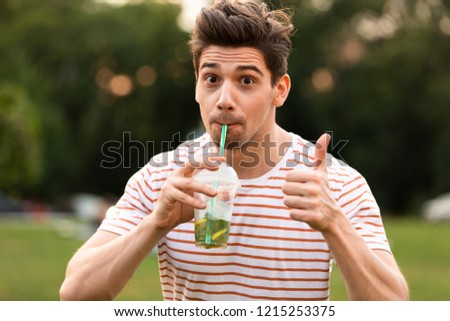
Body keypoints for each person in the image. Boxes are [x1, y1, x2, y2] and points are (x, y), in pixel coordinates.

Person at [60, 0, 409, 301]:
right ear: (197, 86)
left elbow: (394, 307)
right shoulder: (160, 178)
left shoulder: (333, 184)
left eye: (246, 80)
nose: (225, 100)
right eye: (212, 78)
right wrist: (156, 223)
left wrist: (334, 224)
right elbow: (74, 293)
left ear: (280, 90)